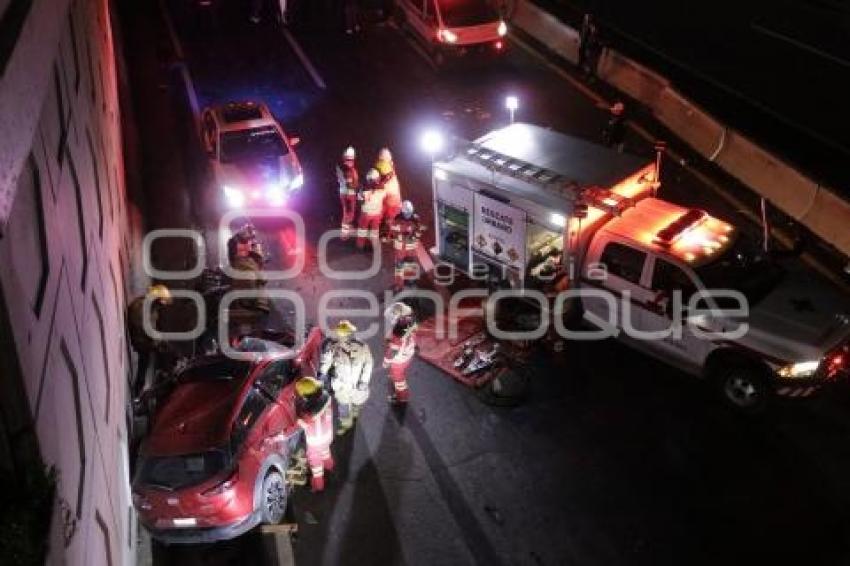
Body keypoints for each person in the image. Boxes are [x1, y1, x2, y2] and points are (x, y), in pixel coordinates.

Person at [318, 320, 374, 435]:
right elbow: (327, 361)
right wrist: (322, 373)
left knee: (357, 402)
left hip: (357, 386)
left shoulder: (362, 347)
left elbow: (368, 364)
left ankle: (355, 411)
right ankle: (346, 424)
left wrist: (364, 381)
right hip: (341, 387)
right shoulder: (334, 347)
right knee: (343, 407)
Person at [127, 284, 172, 398]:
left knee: (162, 353)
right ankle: (139, 392)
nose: (161, 307)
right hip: (140, 340)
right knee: (146, 361)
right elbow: (143, 328)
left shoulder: (151, 309)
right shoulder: (141, 306)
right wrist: (157, 342)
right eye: (160, 303)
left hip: (144, 340)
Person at [227, 225, 271, 343]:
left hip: (251, 308)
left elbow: (248, 287)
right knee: (254, 342)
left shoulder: (245, 263)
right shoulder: (253, 263)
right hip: (259, 308)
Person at [295, 376, 334, 492]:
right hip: (327, 436)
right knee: (325, 451)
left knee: (315, 463)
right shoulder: (326, 398)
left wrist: (297, 421)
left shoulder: (308, 414)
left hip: (315, 442)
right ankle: (329, 466)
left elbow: (301, 424)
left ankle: (318, 484)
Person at [383, 303, 418, 404]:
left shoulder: (397, 335)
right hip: (408, 354)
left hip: (398, 361)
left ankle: (402, 397)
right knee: (400, 371)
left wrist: (386, 363)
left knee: (399, 381)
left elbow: (391, 353)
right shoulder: (411, 321)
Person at [389, 200, 426, 292]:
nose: (408, 215)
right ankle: (399, 285)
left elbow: (419, 230)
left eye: (409, 213)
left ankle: (410, 281)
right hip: (400, 248)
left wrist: (415, 236)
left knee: (410, 264)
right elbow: (393, 233)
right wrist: (403, 236)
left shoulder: (416, 219)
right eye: (406, 213)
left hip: (410, 248)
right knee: (399, 267)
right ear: (402, 212)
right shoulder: (396, 220)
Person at [375, 148, 402, 241]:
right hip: (392, 197)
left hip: (388, 196)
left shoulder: (381, 165)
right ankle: (390, 234)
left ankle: (388, 234)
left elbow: (383, 179)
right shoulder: (390, 164)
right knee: (391, 217)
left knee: (384, 216)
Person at [356, 168, 385, 250]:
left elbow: (360, 202)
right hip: (377, 213)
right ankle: (374, 245)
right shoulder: (382, 189)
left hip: (366, 213)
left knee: (362, 230)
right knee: (375, 231)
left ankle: (360, 246)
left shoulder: (363, 190)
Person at [336, 146, 360, 240]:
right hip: (348, 194)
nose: (352, 162)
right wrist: (357, 187)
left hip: (345, 193)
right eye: (350, 160)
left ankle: (347, 229)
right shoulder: (348, 170)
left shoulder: (342, 167)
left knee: (348, 213)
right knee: (348, 213)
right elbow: (350, 184)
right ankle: (345, 233)